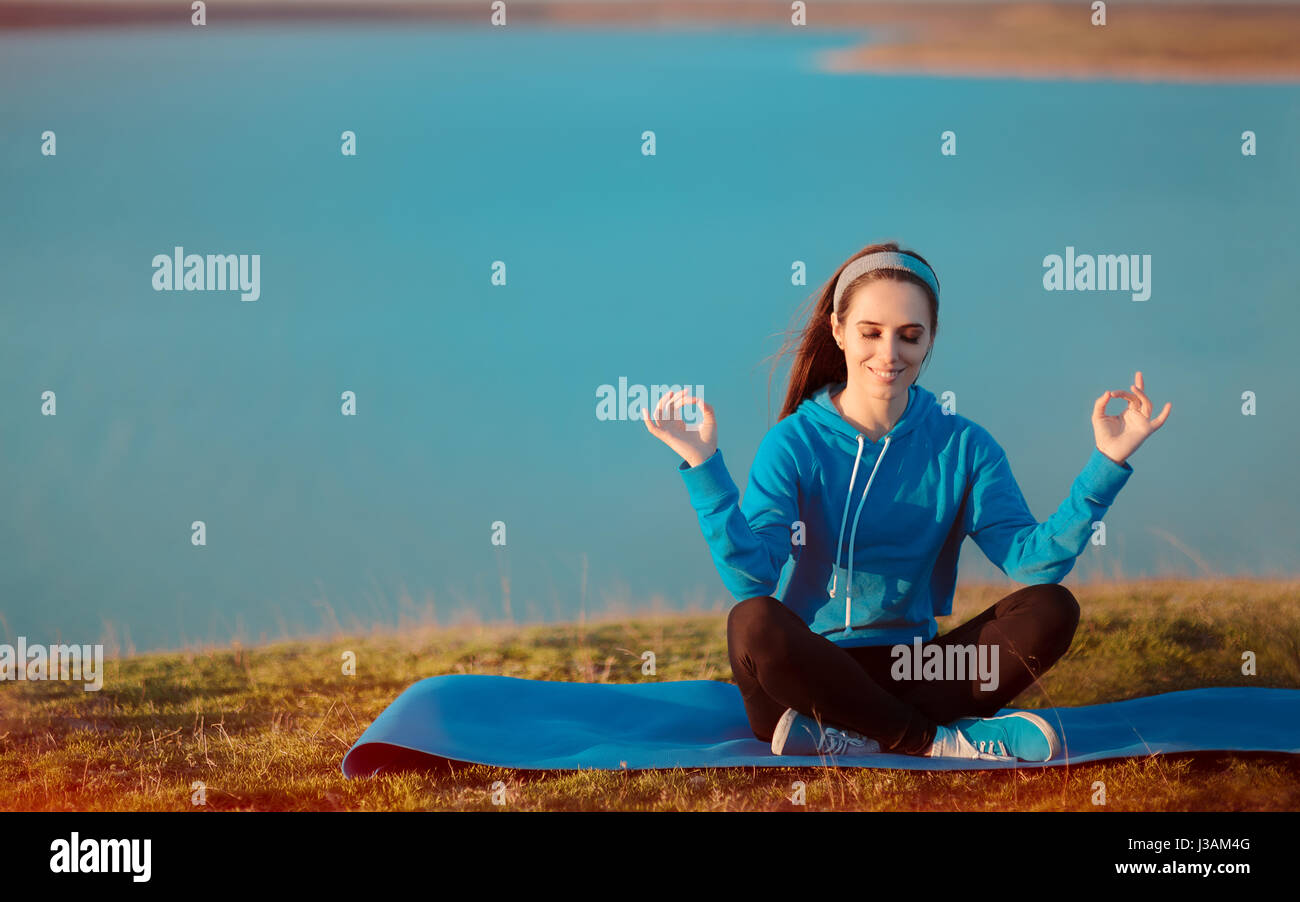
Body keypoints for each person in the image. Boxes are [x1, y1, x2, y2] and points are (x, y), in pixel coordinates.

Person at [642, 241, 1171, 762]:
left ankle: (848, 733)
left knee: (1052, 607)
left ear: (930, 339)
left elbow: (1035, 563)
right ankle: (935, 741)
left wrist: (1107, 463)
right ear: (838, 331)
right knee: (753, 621)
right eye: (870, 333)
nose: (889, 354)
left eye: (909, 336)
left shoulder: (964, 446)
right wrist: (704, 467)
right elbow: (751, 578)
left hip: (917, 669)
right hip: (809, 668)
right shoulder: (794, 443)